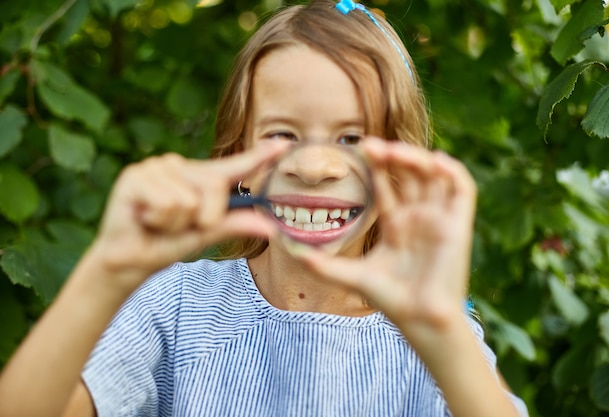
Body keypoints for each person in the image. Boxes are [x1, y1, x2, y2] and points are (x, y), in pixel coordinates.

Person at [0, 1, 529, 416]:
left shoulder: (436, 339)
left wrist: (443, 334)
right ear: (241, 158)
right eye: (282, 133)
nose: (316, 166)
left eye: (352, 137)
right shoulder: (178, 308)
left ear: (399, 166)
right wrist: (107, 270)